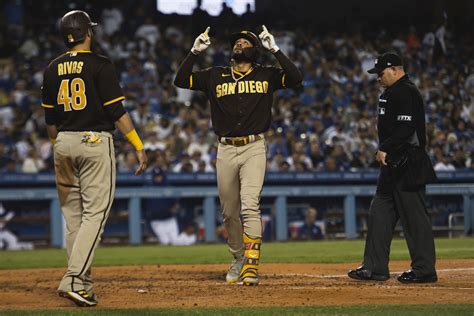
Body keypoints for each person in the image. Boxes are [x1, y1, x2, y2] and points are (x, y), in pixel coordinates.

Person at [174, 26, 302, 285]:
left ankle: (252, 265)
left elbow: (296, 78)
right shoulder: (215, 75)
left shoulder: (266, 74)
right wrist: (194, 52)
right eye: (237, 42)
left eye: (245, 42)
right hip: (225, 149)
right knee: (229, 211)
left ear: (255, 51)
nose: (239, 45)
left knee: (249, 203)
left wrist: (275, 49)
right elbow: (181, 80)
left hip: (254, 146)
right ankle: (238, 257)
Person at [41, 11, 147, 307]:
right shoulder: (100, 64)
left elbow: (50, 119)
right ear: (88, 32)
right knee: (95, 214)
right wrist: (138, 145)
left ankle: (82, 283)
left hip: (62, 142)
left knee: (74, 218)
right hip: (93, 141)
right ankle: (74, 278)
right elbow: (117, 112)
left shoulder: (51, 68)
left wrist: (58, 145)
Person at [348, 52, 438, 284]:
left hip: (409, 162)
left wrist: (386, 147)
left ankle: (424, 269)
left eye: (381, 72)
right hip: (392, 165)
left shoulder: (406, 91)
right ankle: (374, 267)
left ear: (395, 70)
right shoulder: (392, 92)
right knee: (379, 212)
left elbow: (405, 127)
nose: (377, 77)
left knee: (414, 219)